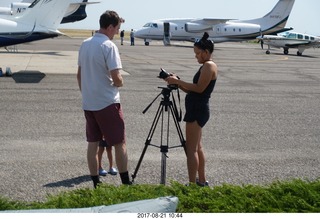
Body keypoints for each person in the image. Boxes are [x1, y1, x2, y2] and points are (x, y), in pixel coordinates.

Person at [77, 10, 131, 188]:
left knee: (92, 143)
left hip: (89, 103)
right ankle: (125, 183)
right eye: (116, 28)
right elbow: (116, 76)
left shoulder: (85, 44)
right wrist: (120, 82)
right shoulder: (109, 46)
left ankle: (96, 183)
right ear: (109, 27)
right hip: (107, 102)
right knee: (119, 143)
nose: (117, 32)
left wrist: (87, 93)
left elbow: (79, 75)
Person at [164, 32, 218, 186]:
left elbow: (199, 89)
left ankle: (192, 184)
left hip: (197, 109)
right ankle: (201, 180)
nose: (196, 57)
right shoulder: (206, 66)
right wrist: (178, 82)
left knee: (191, 149)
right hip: (197, 107)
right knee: (197, 147)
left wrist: (178, 82)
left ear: (206, 52)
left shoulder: (209, 66)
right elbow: (193, 89)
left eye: (198, 53)